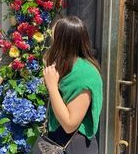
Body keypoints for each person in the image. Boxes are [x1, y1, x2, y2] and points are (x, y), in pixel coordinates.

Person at [43, 16, 103, 154]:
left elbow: (70, 124)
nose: (52, 41)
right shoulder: (66, 66)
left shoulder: (84, 73)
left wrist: (52, 87)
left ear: (63, 41)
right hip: (58, 142)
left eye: (54, 37)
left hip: (75, 146)